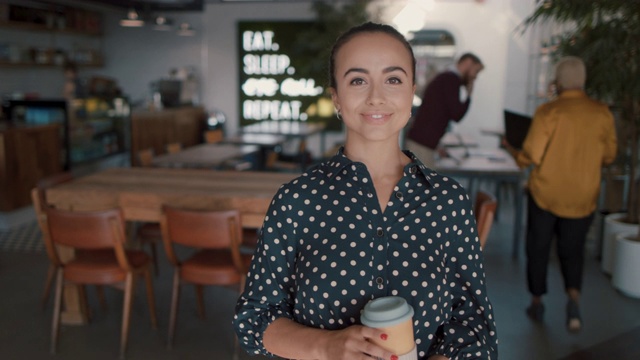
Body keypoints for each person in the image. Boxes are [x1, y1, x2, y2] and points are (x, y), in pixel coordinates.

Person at [233, 22, 498, 360]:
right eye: (358, 80)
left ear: (411, 90)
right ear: (336, 98)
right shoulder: (296, 201)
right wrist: (326, 346)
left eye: (393, 79)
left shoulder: (447, 201)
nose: (376, 96)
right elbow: (254, 318)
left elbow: (475, 323)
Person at [503, 56, 617, 332]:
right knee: (573, 251)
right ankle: (574, 299)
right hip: (583, 197)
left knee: (538, 248)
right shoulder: (602, 112)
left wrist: (513, 151)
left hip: (546, 195)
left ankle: (537, 301)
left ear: (557, 81)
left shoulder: (549, 112)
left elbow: (531, 155)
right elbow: (609, 155)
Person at [405, 53, 484, 167]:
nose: (475, 77)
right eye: (476, 71)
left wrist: (437, 145)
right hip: (422, 145)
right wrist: (469, 95)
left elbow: (435, 113)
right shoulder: (451, 80)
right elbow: (457, 115)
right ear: (468, 63)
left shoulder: (445, 78)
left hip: (422, 142)